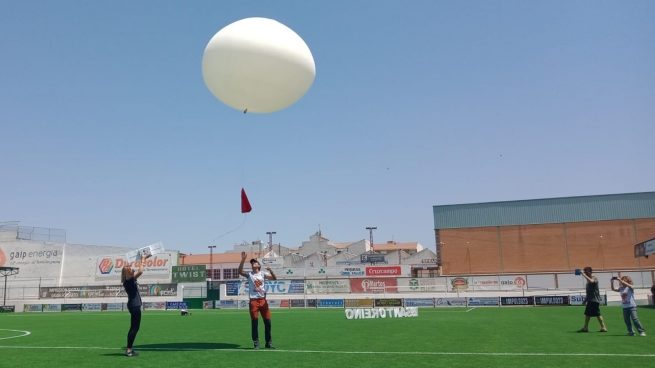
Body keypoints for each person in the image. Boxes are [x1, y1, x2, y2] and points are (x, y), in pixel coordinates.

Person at [238, 251, 277, 349]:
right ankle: (256, 343)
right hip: (253, 301)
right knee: (254, 322)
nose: (253, 263)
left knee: (268, 322)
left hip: (263, 300)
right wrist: (242, 260)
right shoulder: (249, 275)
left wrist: (271, 270)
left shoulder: (263, 274)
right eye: (252, 263)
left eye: (255, 262)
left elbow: (274, 278)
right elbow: (239, 272)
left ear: (259, 265)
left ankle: (268, 343)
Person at [121, 254, 149, 357]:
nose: (132, 269)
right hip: (134, 305)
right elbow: (141, 271)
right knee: (134, 328)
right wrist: (143, 260)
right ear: (127, 273)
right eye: (129, 269)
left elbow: (137, 272)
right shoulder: (129, 280)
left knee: (134, 327)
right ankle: (129, 350)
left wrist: (143, 260)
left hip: (133, 305)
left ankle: (129, 349)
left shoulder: (128, 280)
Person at [577, 266, 608, 332]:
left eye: (586, 271)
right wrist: (585, 300)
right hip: (590, 300)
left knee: (597, 314)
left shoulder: (594, 278)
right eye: (584, 271)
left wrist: (583, 274)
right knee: (588, 314)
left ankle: (603, 327)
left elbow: (592, 281)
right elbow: (588, 293)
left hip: (594, 300)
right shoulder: (587, 282)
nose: (584, 272)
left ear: (589, 272)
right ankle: (586, 327)